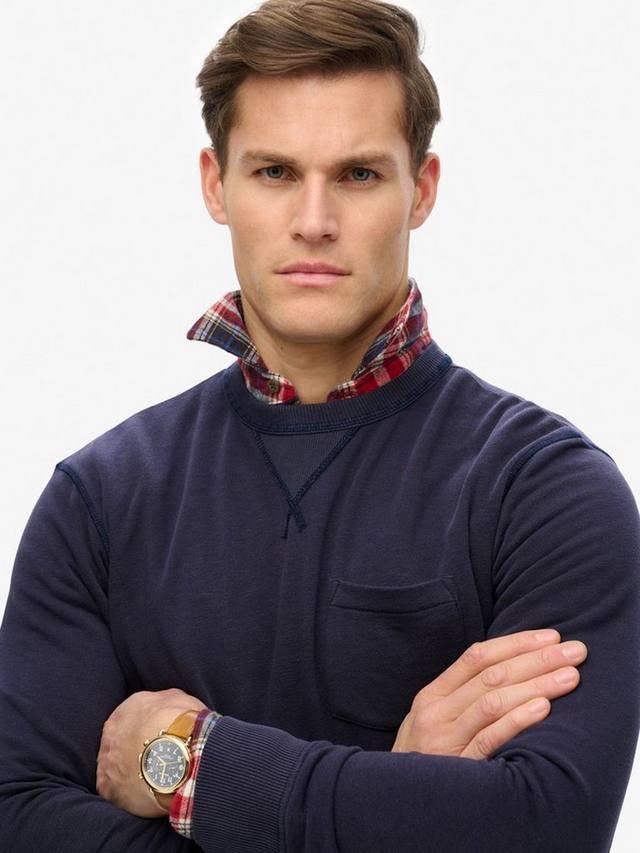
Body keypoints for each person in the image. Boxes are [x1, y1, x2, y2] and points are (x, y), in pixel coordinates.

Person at [1, 0, 638, 850]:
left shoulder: (547, 492)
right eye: (274, 172)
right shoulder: (99, 502)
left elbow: (548, 828)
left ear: (422, 189)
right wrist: (397, 806)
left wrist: (187, 761)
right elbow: (18, 817)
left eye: (358, 175)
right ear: (215, 184)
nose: (313, 220)